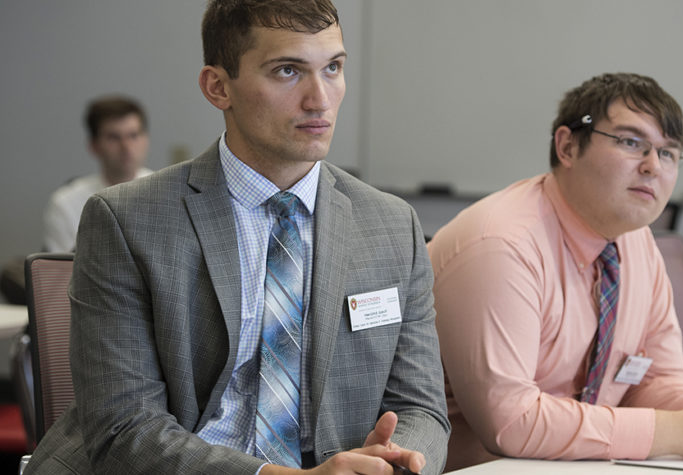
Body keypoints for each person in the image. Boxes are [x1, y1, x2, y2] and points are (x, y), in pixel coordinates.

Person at [25, 1, 448, 474]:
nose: (320, 99)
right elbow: (123, 428)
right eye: (288, 71)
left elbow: (421, 409)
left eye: (333, 68)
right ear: (218, 87)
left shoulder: (392, 226)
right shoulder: (126, 221)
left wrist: (398, 461)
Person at [427, 73, 683, 471]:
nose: (652, 166)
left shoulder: (638, 243)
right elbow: (511, 422)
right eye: (631, 143)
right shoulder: (502, 244)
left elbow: (652, 380)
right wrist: (681, 432)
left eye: (668, 153)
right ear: (568, 146)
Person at [43, 95, 152, 252]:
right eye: (114, 138)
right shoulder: (65, 204)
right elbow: (63, 272)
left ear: (146, 140)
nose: (126, 147)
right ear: (94, 145)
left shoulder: (170, 195)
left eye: (133, 135)